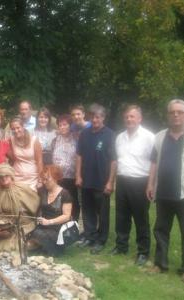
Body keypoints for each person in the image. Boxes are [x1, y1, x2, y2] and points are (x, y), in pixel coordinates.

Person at [146, 99, 184, 284]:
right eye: (172, 112)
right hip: (163, 192)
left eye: (180, 112)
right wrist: (150, 184)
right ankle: (160, 264)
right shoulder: (159, 136)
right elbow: (154, 162)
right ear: (167, 115)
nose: (175, 115)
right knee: (161, 230)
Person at [112, 105, 154, 266]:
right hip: (122, 180)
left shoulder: (149, 137)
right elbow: (118, 161)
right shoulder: (119, 137)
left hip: (140, 181)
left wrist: (151, 184)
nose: (129, 119)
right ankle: (121, 246)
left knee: (141, 218)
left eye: (132, 116)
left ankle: (143, 252)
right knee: (121, 216)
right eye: (127, 117)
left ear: (139, 118)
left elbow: (154, 163)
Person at [75, 104, 116, 254]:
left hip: (102, 181)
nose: (95, 119)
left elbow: (113, 160)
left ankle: (101, 239)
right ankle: (90, 235)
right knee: (87, 210)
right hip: (86, 179)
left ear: (103, 118)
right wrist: (78, 175)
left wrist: (110, 181)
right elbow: (79, 155)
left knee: (102, 212)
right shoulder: (84, 134)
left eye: (98, 116)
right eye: (93, 116)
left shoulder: (110, 134)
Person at [0, 163, 40, 253]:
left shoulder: (23, 188)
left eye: (6, 176)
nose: (4, 178)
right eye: (1, 177)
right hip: (4, 227)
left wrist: (26, 212)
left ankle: (26, 241)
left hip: (24, 225)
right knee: (3, 248)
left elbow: (35, 203)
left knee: (18, 246)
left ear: (11, 176)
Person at [28, 165, 73, 256]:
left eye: (47, 179)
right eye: (43, 179)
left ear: (56, 178)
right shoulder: (42, 191)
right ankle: (41, 247)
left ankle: (49, 248)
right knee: (32, 235)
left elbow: (67, 216)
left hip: (58, 228)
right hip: (43, 225)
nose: (44, 182)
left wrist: (49, 222)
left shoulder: (65, 194)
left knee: (38, 235)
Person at [51, 114, 79, 220]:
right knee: (59, 200)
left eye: (65, 124)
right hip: (58, 177)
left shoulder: (76, 139)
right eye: (60, 125)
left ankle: (74, 222)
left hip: (72, 176)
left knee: (73, 200)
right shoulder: (55, 140)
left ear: (70, 126)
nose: (62, 127)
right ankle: (59, 222)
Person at [9, 117, 43, 191]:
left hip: (32, 178)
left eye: (18, 127)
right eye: (13, 129)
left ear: (23, 127)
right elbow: (10, 157)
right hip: (17, 176)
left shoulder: (34, 140)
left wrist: (40, 179)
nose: (16, 130)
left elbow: (39, 161)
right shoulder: (11, 140)